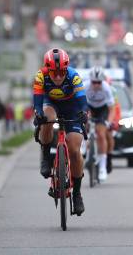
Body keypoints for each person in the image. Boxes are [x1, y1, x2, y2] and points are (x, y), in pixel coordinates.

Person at [33, 48, 88, 216]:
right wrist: (38, 114)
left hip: (72, 107)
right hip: (52, 104)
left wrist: (83, 113)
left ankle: (77, 193)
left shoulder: (74, 76)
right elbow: (37, 102)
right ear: (47, 69)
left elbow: (82, 102)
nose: (57, 77)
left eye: (61, 72)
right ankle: (45, 154)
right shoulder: (40, 76)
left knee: (74, 150)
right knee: (47, 117)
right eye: (53, 72)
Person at [84, 66, 116, 181]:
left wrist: (109, 122)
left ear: (102, 81)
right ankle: (86, 150)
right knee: (84, 128)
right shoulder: (85, 86)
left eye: (99, 82)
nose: (96, 85)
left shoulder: (106, 88)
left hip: (102, 110)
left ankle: (102, 167)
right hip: (89, 108)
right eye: (94, 82)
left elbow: (112, 109)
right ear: (90, 81)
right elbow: (79, 104)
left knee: (101, 134)